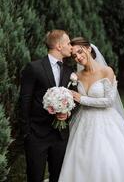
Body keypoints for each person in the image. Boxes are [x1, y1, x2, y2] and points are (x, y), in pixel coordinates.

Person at [58, 37, 124, 182]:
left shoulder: (106, 71)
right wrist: (65, 107)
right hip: (83, 122)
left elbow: (109, 101)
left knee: (106, 160)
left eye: (80, 52)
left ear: (89, 49)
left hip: (105, 122)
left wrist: (82, 98)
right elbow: (72, 99)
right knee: (81, 160)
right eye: (74, 56)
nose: (78, 58)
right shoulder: (76, 76)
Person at [19, 29, 77, 182]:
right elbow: (25, 100)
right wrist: (27, 133)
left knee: (58, 177)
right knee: (35, 177)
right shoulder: (34, 68)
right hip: (36, 134)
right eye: (69, 43)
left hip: (60, 135)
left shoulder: (71, 72)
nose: (71, 47)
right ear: (59, 46)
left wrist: (68, 113)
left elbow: (74, 99)